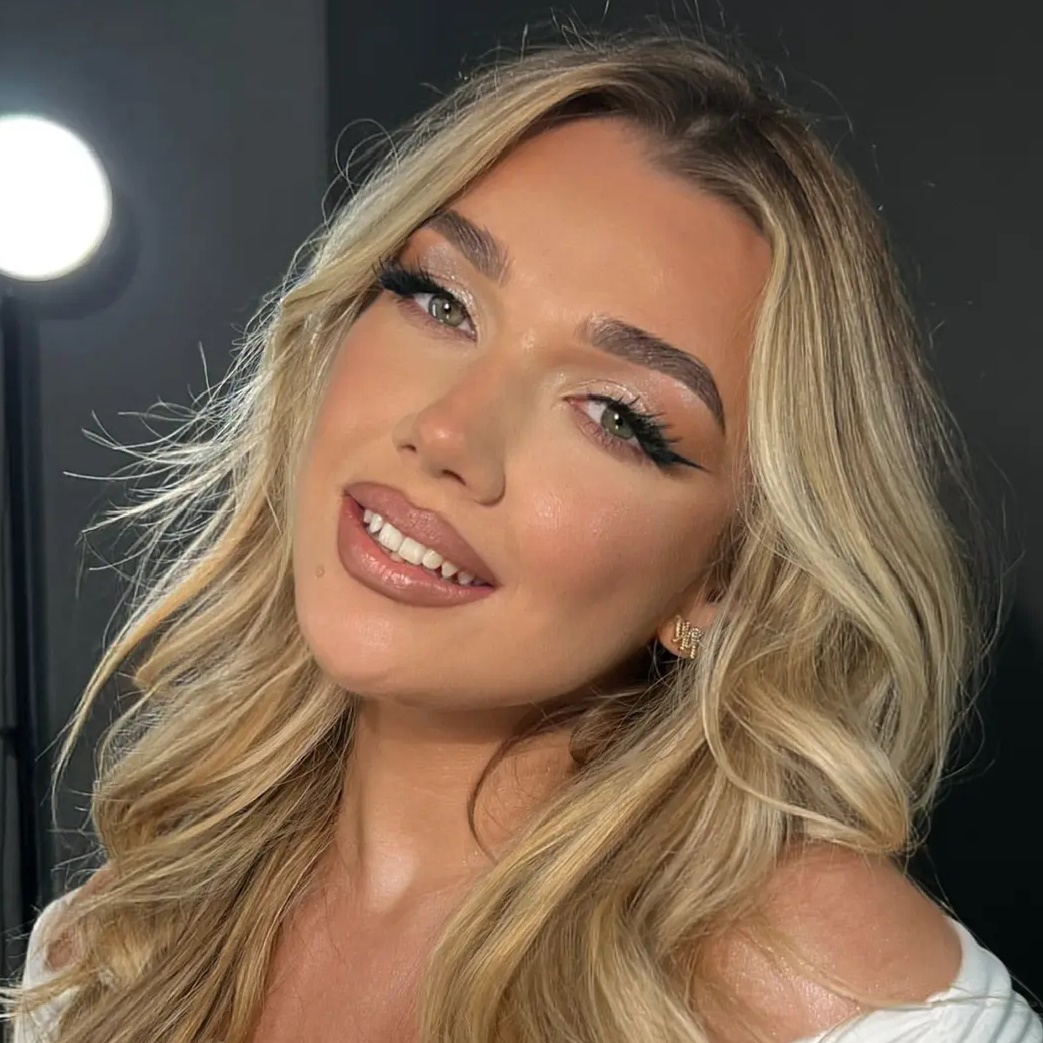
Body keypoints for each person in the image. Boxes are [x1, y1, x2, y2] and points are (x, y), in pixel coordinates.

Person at [3, 26, 1040, 1043]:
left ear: (725, 578)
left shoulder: (843, 1001)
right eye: (439, 301)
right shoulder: (113, 945)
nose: (448, 431)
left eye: (615, 415)